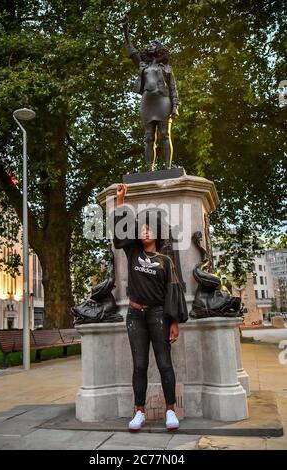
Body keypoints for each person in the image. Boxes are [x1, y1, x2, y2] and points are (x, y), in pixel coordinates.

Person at [110, 183, 188, 431]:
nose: (144, 232)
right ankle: (139, 412)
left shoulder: (165, 260)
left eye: (148, 229)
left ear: (156, 233)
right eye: (141, 229)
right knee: (140, 365)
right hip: (134, 316)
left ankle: (170, 411)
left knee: (164, 364)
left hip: (157, 316)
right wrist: (121, 201)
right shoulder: (133, 252)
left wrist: (174, 322)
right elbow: (121, 231)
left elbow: (173, 292)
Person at [121, 16, 180, 171]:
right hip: (147, 102)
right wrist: (125, 29)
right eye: (149, 44)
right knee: (148, 137)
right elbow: (130, 49)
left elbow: (173, 88)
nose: (150, 45)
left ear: (159, 49)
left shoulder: (167, 68)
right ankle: (149, 168)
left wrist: (175, 106)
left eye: (154, 44)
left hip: (163, 101)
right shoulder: (142, 64)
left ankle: (167, 167)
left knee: (165, 135)